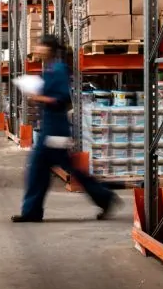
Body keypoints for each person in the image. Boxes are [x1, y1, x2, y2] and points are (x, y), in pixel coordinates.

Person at [12, 35, 117, 223]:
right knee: (55, 170)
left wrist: (37, 98)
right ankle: (104, 197)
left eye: (40, 46)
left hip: (55, 131)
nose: (36, 49)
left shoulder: (58, 69)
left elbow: (62, 99)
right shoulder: (49, 69)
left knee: (39, 170)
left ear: (49, 49)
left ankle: (32, 211)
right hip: (50, 128)